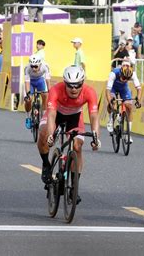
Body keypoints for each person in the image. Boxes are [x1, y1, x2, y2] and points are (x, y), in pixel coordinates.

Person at [37, 65, 101, 203]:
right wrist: (50, 135)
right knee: (43, 134)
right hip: (56, 114)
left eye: (77, 85)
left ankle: (73, 188)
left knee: (77, 147)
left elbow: (94, 115)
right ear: (65, 83)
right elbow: (52, 115)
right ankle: (46, 164)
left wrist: (96, 137)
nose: (74, 89)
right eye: (70, 85)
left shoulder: (89, 92)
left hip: (75, 117)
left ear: (82, 83)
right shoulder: (55, 90)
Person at [105, 61, 142, 143]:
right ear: (121, 72)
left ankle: (128, 134)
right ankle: (111, 118)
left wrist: (138, 100)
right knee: (113, 101)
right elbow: (107, 91)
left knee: (129, 106)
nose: (124, 79)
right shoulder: (114, 73)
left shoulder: (133, 74)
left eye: (127, 79)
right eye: (123, 77)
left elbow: (139, 89)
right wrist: (110, 103)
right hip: (113, 88)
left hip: (123, 89)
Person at [24, 55, 51, 129]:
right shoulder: (27, 68)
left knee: (45, 95)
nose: (33, 68)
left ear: (40, 64)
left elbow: (47, 79)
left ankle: (44, 117)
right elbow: (27, 82)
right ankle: (28, 117)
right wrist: (28, 93)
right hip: (31, 82)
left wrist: (49, 90)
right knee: (28, 99)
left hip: (40, 81)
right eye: (32, 66)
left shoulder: (45, 66)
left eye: (36, 66)